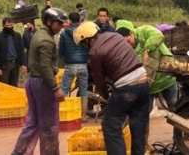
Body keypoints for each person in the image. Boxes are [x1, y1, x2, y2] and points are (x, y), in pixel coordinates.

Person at [73, 22, 150, 155]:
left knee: (110, 126)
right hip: (144, 81)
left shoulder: (94, 52)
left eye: (83, 43)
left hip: (126, 87)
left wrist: (107, 97)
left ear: (87, 40)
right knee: (138, 126)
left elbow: (99, 81)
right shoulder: (115, 36)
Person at [116, 20, 178, 154]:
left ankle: (179, 138)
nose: (128, 45)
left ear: (131, 34)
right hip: (148, 85)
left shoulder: (144, 30)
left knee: (177, 109)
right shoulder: (129, 51)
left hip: (166, 77)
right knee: (142, 115)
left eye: (128, 41)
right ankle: (143, 145)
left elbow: (158, 36)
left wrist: (147, 49)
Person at [11, 8, 68, 155]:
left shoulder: (39, 34)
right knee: (49, 126)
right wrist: (55, 88)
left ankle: (18, 152)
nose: (61, 27)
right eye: (58, 24)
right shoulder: (46, 40)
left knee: (33, 123)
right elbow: (45, 67)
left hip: (33, 82)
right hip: (43, 84)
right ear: (49, 22)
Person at [59, 12, 89, 123]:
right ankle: (84, 116)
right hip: (83, 64)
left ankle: (66, 115)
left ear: (70, 21)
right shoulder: (84, 33)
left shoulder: (63, 33)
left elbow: (61, 51)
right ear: (80, 21)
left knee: (64, 90)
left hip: (70, 65)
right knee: (84, 91)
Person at [0, 17, 26, 87]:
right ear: (3, 26)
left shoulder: (17, 36)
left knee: (14, 86)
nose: (9, 27)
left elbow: (21, 50)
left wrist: (23, 64)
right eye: (7, 26)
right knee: (4, 86)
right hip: (4, 65)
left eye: (11, 25)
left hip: (15, 64)